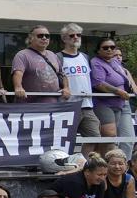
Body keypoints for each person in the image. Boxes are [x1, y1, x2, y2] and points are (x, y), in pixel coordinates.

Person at [56, 24, 100, 155]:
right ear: (64, 39)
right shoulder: (57, 57)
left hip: (87, 105)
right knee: (64, 140)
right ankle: (63, 164)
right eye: (71, 35)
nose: (75, 37)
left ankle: (83, 164)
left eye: (78, 35)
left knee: (95, 138)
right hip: (68, 105)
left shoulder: (85, 57)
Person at [92, 39, 131, 155]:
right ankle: (105, 164)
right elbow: (98, 83)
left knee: (113, 138)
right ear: (98, 50)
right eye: (105, 47)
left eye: (112, 47)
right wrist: (118, 91)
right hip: (103, 103)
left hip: (119, 104)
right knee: (109, 135)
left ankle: (107, 163)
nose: (109, 49)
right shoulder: (96, 62)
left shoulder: (115, 62)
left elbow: (125, 79)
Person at [12, 25, 71, 103]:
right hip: (31, 106)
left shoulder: (53, 55)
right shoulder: (22, 55)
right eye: (40, 36)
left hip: (54, 105)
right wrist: (18, 87)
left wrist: (66, 88)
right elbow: (18, 73)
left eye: (47, 36)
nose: (44, 38)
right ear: (31, 38)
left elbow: (62, 74)